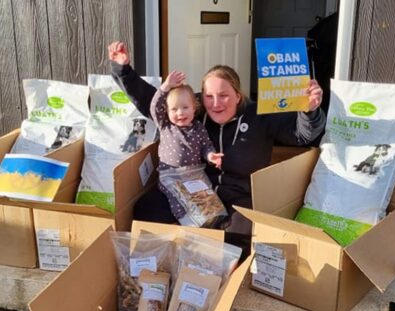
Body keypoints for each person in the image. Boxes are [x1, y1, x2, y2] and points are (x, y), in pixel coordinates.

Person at [107, 41, 325, 244]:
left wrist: (310, 110)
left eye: (224, 95)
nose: (216, 103)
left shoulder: (259, 115)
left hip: (239, 197)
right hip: (193, 188)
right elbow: (154, 102)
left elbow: (302, 134)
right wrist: (124, 70)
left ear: (238, 95)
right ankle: (163, 269)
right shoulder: (195, 111)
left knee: (240, 237)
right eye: (209, 96)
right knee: (148, 209)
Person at [151, 70, 224, 226]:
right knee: (178, 198)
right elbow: (155, 107)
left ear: (194, 107)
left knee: (206, 198)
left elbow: (206, 146)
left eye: (185, 107)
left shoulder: (198, 127)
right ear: (167, 111)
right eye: (174, 109)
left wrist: (211, 156)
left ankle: (210, 221)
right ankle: (186, 222)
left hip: (194, 173)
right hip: (171, 174)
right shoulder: (165, 126)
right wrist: (165, 86)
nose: (180, 113)